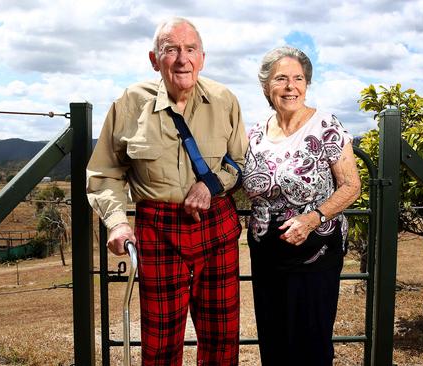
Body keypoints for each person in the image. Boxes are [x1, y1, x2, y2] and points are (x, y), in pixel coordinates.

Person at [86, 17, 247, 366]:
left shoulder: (225, 100)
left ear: (202, 58)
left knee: (223, 338)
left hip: (216, 224)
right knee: (160, 343)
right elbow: (104, 173)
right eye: (170, 50)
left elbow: (240, 161)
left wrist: (211, 183)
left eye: (190, 50)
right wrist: (116, 221)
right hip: (157, 228)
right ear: (153, 59)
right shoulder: (129, 103)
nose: (181, 59)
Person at [242, 46, 361, 366]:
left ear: (307, 84)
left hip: (314, 248)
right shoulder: (254, 133)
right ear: (266, 86)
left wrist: (312, 218)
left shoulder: (325, 125)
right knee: (273, 339)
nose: (291, 86)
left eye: (298, 78)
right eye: (281, 78)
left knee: (310, 341)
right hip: (265, 253)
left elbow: (351, 186)